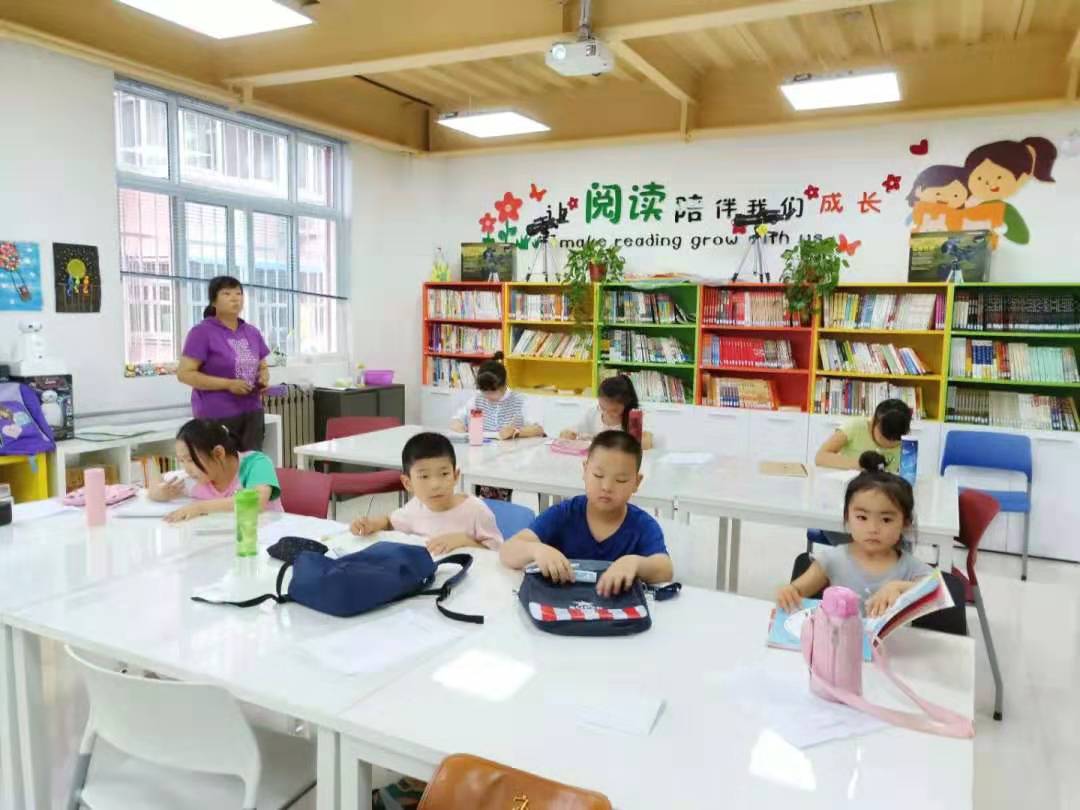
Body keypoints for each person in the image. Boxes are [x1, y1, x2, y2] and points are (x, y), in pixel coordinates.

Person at [499, 431, 673, 597]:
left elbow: (665, 569)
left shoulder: (642, 525)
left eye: (620, 480)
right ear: (585, 470)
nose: (606, 487)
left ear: (637, 482)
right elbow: (508, 550)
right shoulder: (565, 514)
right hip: (563, 606)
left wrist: (636, 564)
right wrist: (537, 550)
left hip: (616, 610)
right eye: (598, 475)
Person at [778, 450, 931, 618]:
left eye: (886, 520)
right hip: (840, 635)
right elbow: (796, 591)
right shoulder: (833, 559)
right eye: (862, 517)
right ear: (847, 517)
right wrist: (788, 592)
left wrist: (899, 587)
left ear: (905, 523)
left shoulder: (910, 567)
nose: (873, 528)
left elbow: (940, 591)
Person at [350, 431, 502, 555]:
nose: (435, 485)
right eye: (424, 476)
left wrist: (464, 541)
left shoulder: (476, 511)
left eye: (444, 474)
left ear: (455, 476)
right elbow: (390, 522)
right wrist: (371, 524)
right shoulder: (416, 507)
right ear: (408, 483)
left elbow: (498, 555)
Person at [178, 276, 271, 452]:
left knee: (251, 463)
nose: (235, 298)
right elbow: (185, 374)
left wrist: (263, 377)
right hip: (216, 414)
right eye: (227, 294)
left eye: (238, 293)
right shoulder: (202, 332)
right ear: (214, 301)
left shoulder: (252, 332)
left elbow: (262, 365)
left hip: (252, 411)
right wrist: (228, 384)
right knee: (221, 464)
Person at [448, 351, 543, 501]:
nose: (488, 397)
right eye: (484, 392)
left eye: (493, 392)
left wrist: (516, 431)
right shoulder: (477, 400)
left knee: (496, 492)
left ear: (504, 385)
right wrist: (460, 426)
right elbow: (456, 420)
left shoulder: (520, 401)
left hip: (510, 460)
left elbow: (538, 430)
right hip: (481, 458)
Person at [148, 419, 282, 523]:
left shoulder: (256, 463)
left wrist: (200, 508)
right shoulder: (196, 478)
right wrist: (158, 493)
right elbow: (157, 479)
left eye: (190, 460)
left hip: (268, 538)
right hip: (227, 541)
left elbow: (256, 502)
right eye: (182, 461)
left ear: (218, 453)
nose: (187, 469)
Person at [962, 137, 1058, 245]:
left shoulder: (1002, 209)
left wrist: (1002, 229)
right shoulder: (959, 197)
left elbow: (1022, 237)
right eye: (979, 178)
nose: (991, 184)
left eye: (999, 177)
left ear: (1022, 178)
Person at [815, 398, 912, 473]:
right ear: (873, 421)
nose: (889, 445)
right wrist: (862, 465)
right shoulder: (855, 426)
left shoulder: (906, 441)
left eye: (895, 441)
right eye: (883, 438)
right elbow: (821, 457)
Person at [559, 374, 654, 450]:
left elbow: (647, 443)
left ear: (626, 404)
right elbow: (571, 431)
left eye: (614, 410)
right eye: (603, 408)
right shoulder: (593, 413)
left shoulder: (635, 417)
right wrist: (568, 434)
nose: (607, 413)